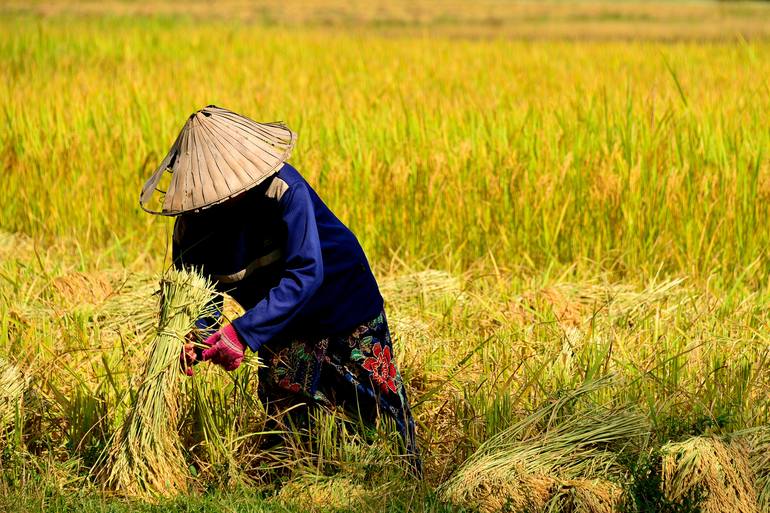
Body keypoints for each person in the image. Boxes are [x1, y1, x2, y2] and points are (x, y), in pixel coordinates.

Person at [139, 105, 419, 473]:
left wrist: (241, 334)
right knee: (286, 419)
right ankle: (294, 484)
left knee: (376, 408)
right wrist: (199, 336)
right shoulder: (191, 230)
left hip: (341, 301)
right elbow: (199, 291)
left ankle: (406, 482)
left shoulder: (283, 190)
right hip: (277, 320)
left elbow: (307, 272)